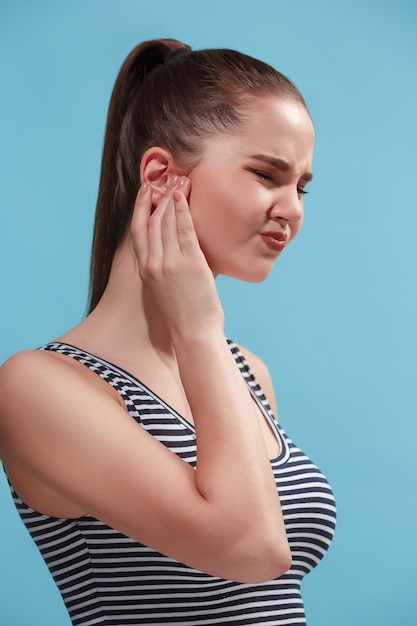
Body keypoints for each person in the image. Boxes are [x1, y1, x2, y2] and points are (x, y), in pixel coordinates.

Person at [0, 38, 336, 625]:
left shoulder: (247, 373)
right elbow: (251, 549)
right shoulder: (36, 387)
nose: (293, 209)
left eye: (302, 186)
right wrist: (199, 327)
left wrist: (204, 340)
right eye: (266, 174)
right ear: (160, 174)